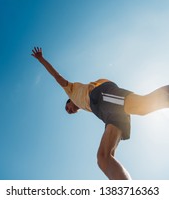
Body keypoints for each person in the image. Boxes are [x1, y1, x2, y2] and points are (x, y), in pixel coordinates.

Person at [31, 47, 169, 180]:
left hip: (101, 96)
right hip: (105, 113)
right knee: (103, 157)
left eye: (67, 108)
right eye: (69, 112)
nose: (69, 111)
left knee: (143, 106)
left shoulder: (71, 90)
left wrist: (41, 58)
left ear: (69, 101)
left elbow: (56, 75)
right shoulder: (86, 106)